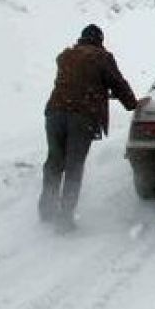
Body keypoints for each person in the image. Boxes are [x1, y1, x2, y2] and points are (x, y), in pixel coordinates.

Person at [40, 24, 137, 232]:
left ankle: (46, 209)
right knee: (74, 165)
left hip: (55, 112)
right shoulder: (101, 57)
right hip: (81, 116)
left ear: (82, 38)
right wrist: (133, 104)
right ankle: (65, 218)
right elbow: (117, 84)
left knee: (54, 160)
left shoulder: (66, 56)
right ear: (100, 40)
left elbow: (77, 81)